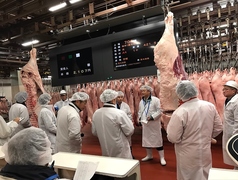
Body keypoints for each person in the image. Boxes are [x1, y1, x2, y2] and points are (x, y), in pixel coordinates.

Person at [167, 80, 223, 180]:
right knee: (205, 174)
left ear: (180, 94)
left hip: (187, 153)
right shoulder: (210, 106)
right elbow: (218, 127)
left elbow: (173, 137)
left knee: (188, 176)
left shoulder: (180, 112)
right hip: (205, 151)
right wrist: (206, 137)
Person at [92, 89, 134, 159]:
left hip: (105, 146)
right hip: (120, 147)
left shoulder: (96, 113)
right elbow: (129, 130)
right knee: (123, 166)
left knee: (110, 165)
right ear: (113, 100)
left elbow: (94, 132)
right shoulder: (119, 113)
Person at [138, 85, 166, 165]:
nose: (142, 92)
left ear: (149, 91)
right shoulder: (141, 101)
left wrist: (152, 117)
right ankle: (149, 155)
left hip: (154, 124)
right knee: (146, 140)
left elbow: (160, 110)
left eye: (144, 91)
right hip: (145, 124)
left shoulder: (156, 100)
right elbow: (140, 111)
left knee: (157, 141)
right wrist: (139, 118)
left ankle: (162, 158)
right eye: (142, 91)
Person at [222, 80, 238, 169]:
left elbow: (237, 121)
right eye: (223, 89)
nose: (223, 91)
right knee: (234, 157)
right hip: (229, 131)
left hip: (234, 134)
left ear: (234, 91)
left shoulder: (236, 102)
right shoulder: (228, 100)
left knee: (235, 153)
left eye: (226, 89)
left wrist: (235, 136)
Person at [116, 91, 134, 158]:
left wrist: (129, 121)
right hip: (117, 127)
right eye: (119, 97)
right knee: (119, 142)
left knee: (128, 142)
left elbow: (129, 114)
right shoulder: (113, 106)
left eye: (121, 97)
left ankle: (131, 154)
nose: (120, 98)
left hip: (125, 125)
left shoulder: (125, 105)